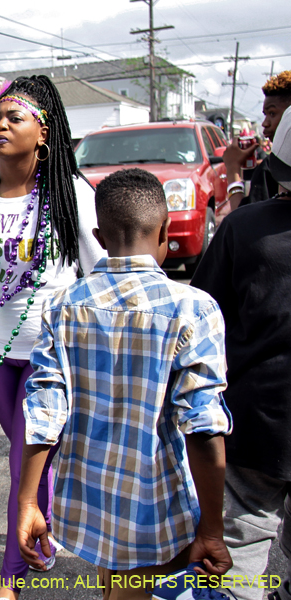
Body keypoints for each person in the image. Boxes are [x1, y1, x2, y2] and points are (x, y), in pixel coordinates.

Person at [16, 168, 234, 600]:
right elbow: (204, 427)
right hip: (156, 506)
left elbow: (44, 411)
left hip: (89, 502)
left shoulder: (61, 305)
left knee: (113, 585)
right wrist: (212, 528)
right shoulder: (193, 308)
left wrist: (27, 502)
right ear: (166, 231)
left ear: (98, 235)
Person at [0, 75, 106, 600]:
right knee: (29, 455)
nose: (1, 126)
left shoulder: (70, 192)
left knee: (23, 462)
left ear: (43, 132)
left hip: (49, 353)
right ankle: (42, 529)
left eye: (15, 118)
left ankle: (9, 579)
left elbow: (100, 269)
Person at [191, 105, 291, 600]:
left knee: (244, 543)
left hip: (259, 424)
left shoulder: (245, 228)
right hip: (262, 425)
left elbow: (206, 317)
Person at [224, 71, 291, 211]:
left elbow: (244, 223)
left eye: (272, 113)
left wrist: (232, 169)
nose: (265, 123)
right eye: (265, 115)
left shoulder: (271, 168)